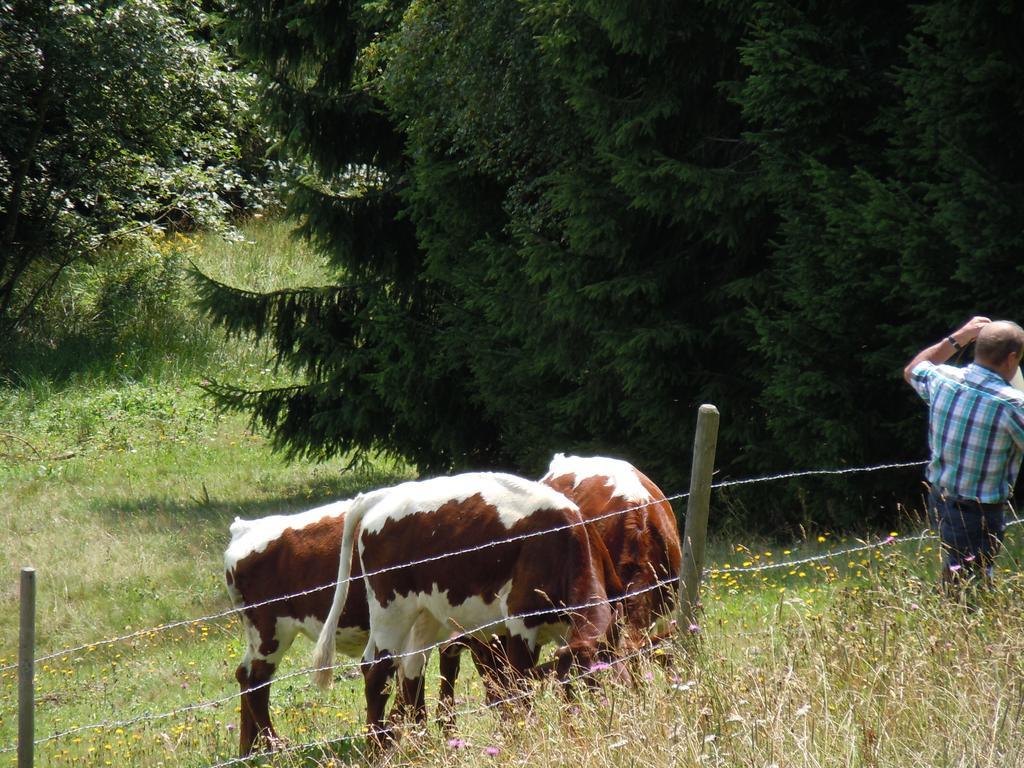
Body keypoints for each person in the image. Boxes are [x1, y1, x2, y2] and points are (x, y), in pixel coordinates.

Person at [904, 316, 1024, 590]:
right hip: (978, 510)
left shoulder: (944, 379)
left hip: (940, 498)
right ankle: (950, 623)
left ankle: (949, 616)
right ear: (1011, 358)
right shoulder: (1012, 405)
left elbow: (913, 369)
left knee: (959, 569)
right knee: (971, 585)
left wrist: (959, 336)